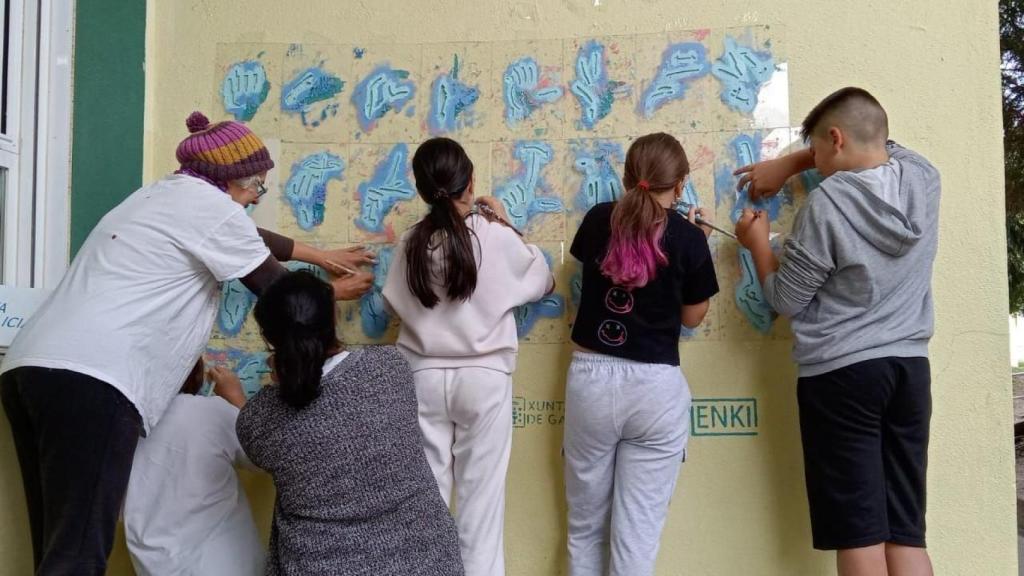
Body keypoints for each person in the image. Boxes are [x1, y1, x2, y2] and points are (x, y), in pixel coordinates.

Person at [0, 111, 373, 575]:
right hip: (96, 376)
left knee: (58, 546)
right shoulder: (213, 210)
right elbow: (280, 295)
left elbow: (253, 238)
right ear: (231, 179)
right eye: (257, 184)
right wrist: (331, 292)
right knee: (77, 555)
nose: (258, 195)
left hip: (31, 366)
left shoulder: (162, 196)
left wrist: (318, 254)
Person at [733, 87, 939, 576]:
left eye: (819, 152)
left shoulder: (827, 206)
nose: (816, 165)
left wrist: (758, 245)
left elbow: (786, 300)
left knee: (860, 534)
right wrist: (798, 160)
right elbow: (885, 140)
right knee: (905, 534)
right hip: (910, 371)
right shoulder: (924, 179)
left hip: (843, 378)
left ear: (836, 139)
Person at [382, 137, 554, 576]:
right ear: (471, 181)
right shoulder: (493, 235)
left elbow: (393, 303)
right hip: (484, 380)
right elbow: (543, 281)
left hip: (421, 378)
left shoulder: (411, 242)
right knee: (481, 511)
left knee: (428, 511)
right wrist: (507, 224)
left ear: (421, 189)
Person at [235, 271, 464, 576]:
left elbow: (265, 440)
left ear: (269, 339)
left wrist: (239, 397)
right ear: (333, 315)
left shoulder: (259, 419)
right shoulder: (390, 368)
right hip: (429, 562)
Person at [564, 132, 718, 576]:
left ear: (629, 177)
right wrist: (697, 238)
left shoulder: (597, 220)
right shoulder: (688, 238)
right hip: (655, 389)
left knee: (584, 527)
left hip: (591, 380)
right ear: (682, 183)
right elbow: (692, 317)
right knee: (637, 537)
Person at [124, 359, 263, 575]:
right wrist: (237, 399)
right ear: (196, 375)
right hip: (223, 563)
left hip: (156, 566)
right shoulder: (211, 412)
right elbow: (264, 457)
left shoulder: (123, 427)